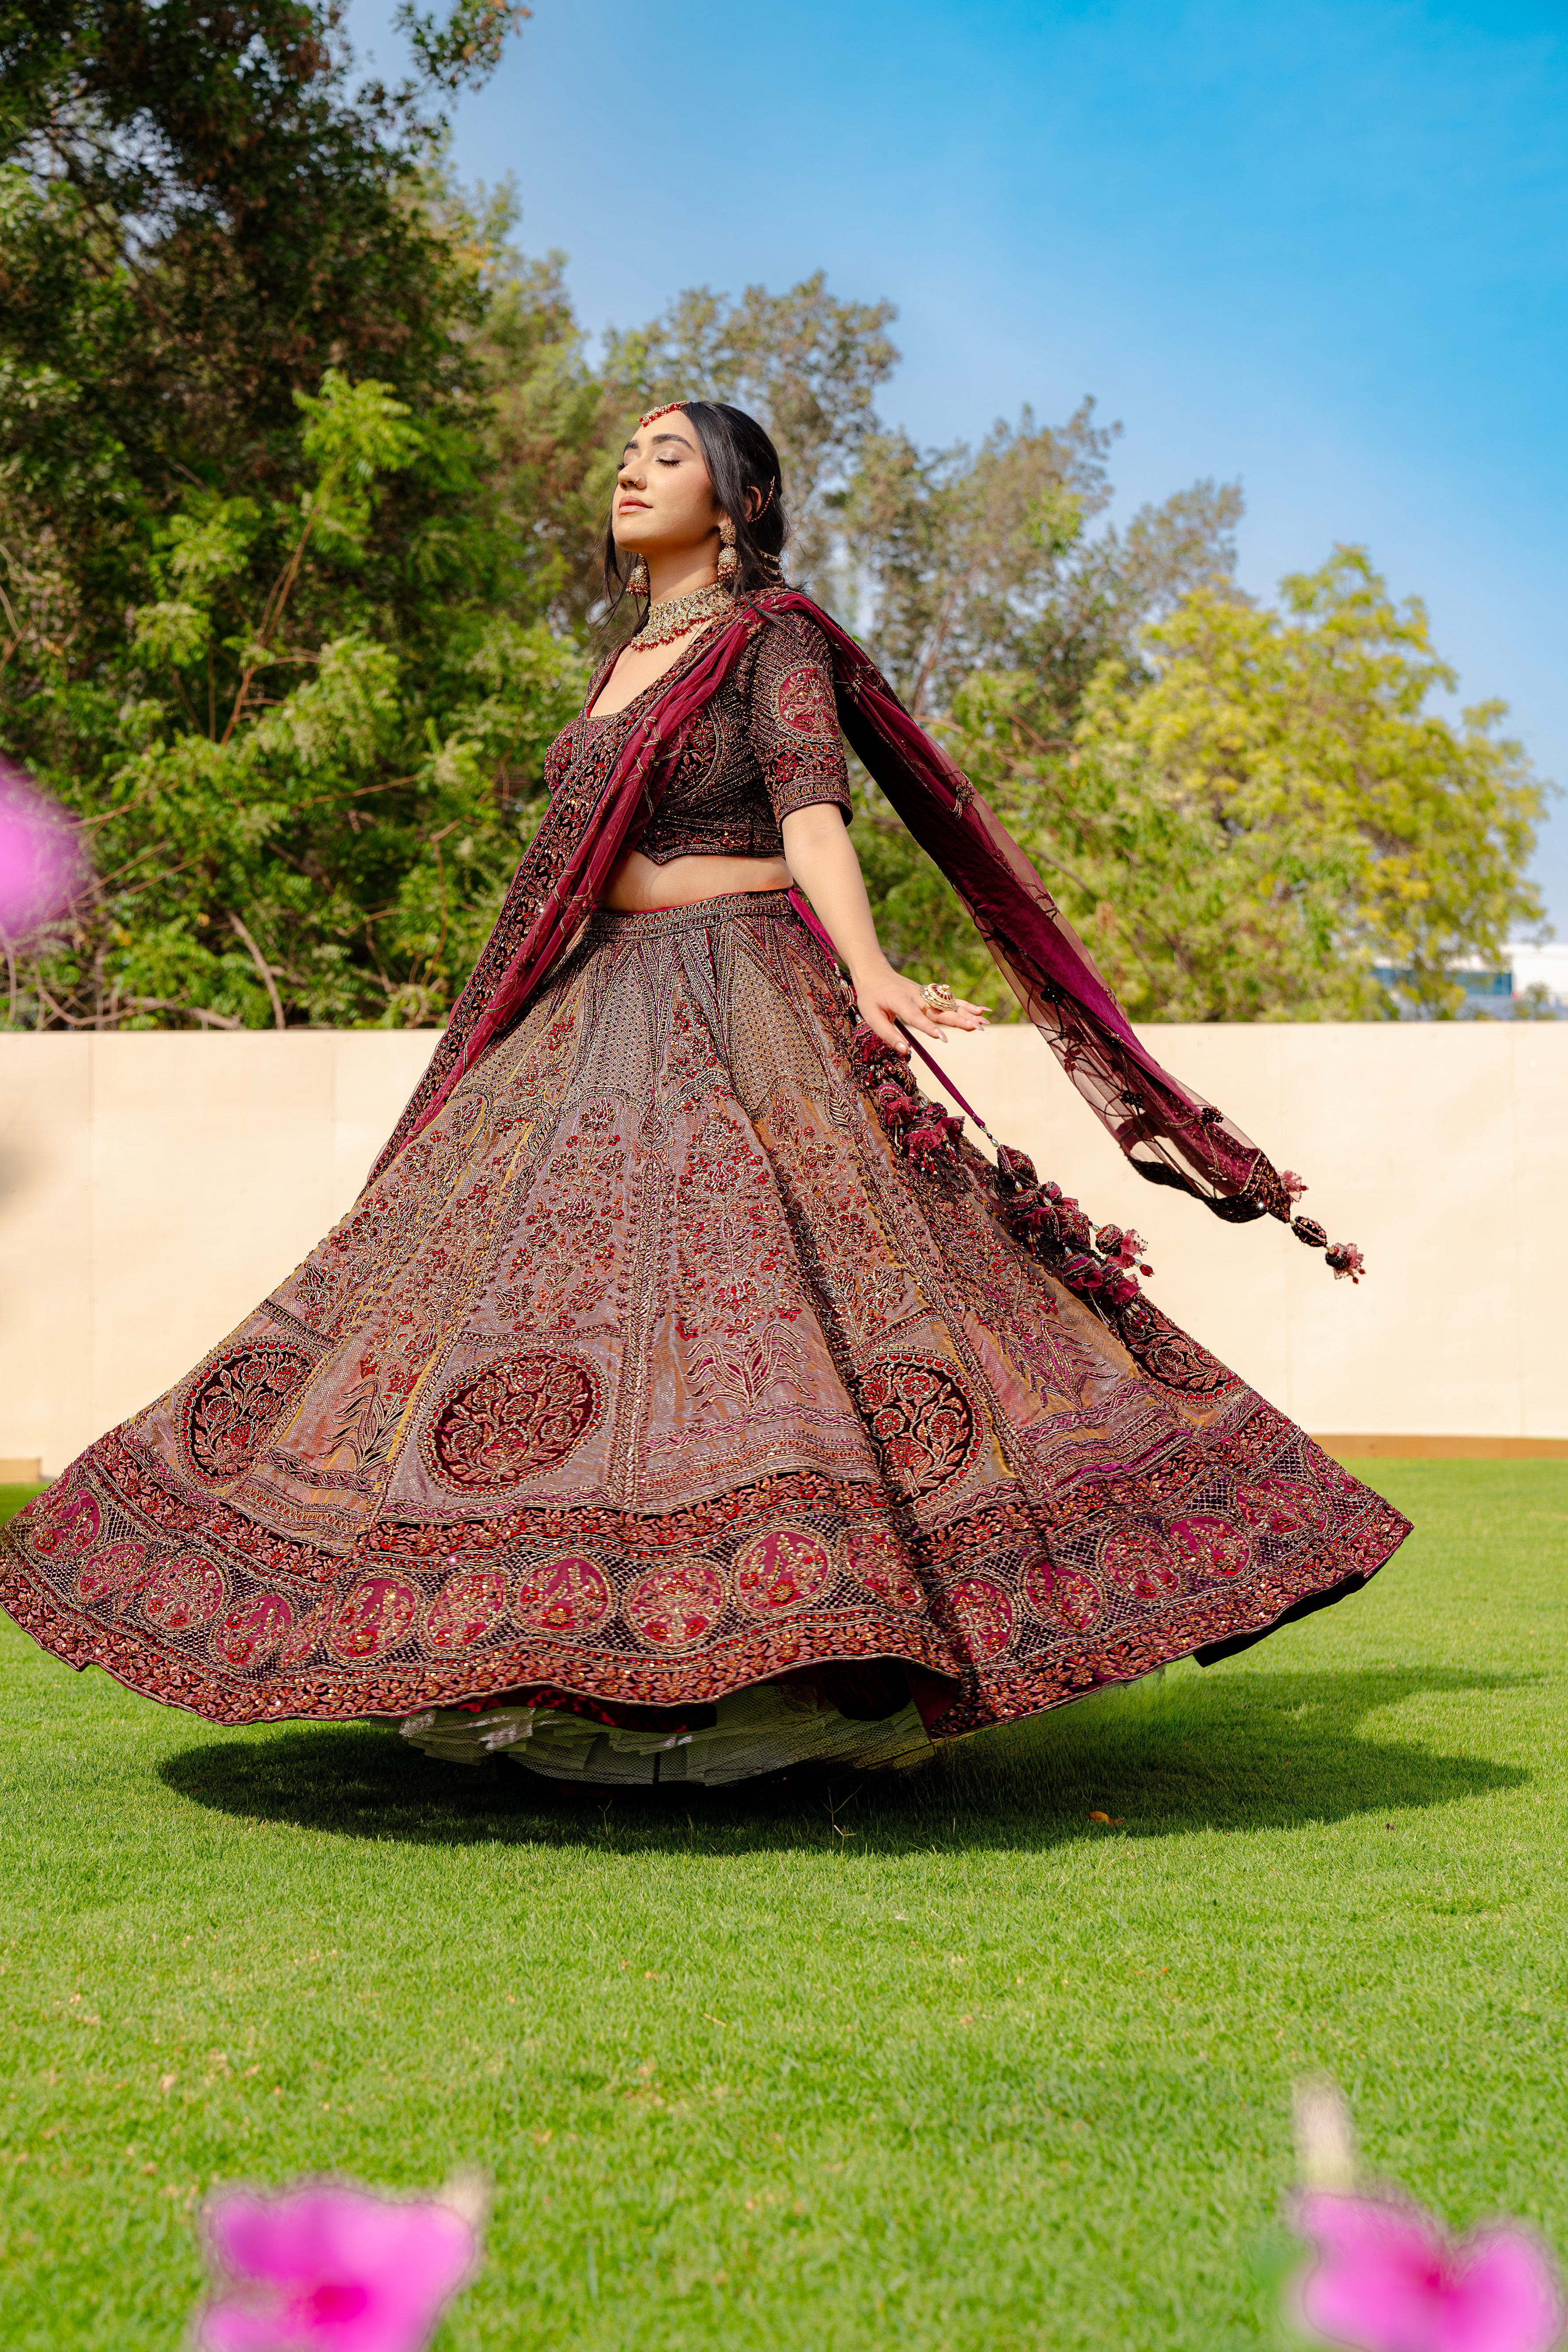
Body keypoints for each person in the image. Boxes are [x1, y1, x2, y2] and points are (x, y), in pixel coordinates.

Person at [0, 401, 1408, 1787]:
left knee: (768, 1319)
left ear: (734, 504)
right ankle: (538, 1653)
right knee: (509, 1322)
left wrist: (869, 975)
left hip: (739, 993)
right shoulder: (625, 656)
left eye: (667, 455)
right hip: (594, 1008)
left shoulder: (769, 636)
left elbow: (810, 807)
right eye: (625, 453)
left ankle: (800, 1659)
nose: (631, 469)